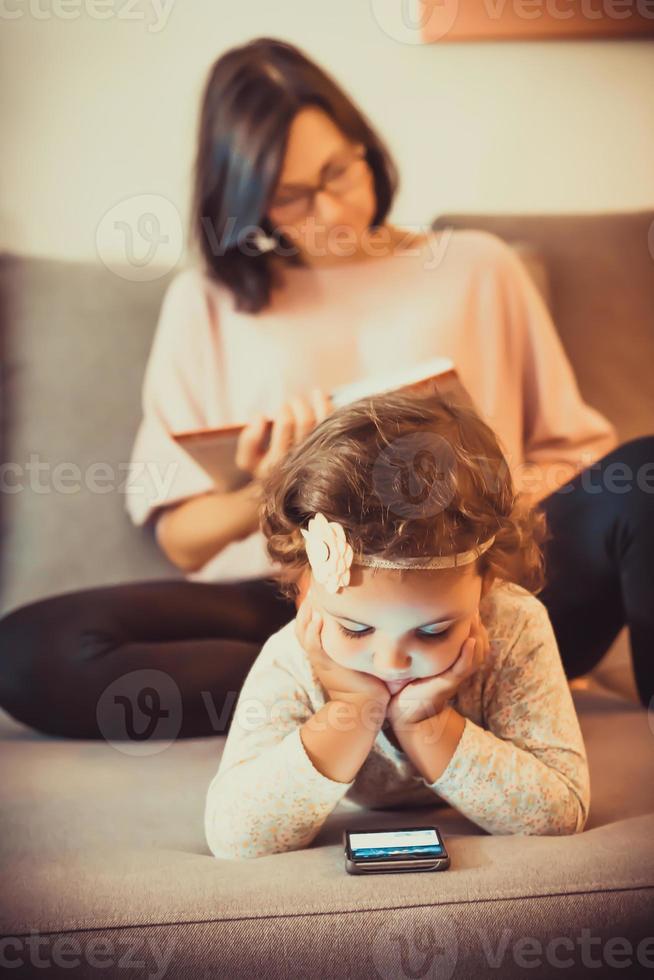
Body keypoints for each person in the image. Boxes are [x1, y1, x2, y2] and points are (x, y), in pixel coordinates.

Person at [0, 36, 651, 740]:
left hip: (470, 593)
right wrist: (275, 484)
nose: (332, 208)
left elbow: (579, 458)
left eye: (339, 171)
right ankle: (359, 685)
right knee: (29, 650)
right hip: (293, 601)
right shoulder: (210, 302)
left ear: (365, 146)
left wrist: (477, 506)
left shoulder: (477, 266)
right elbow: (184, 542)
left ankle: (405, 679)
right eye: (291, 196)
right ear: (245, 203)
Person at [204, 391, 591, 859]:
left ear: (486, 584)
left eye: (433, 632)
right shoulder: (294, 657)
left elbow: (561, 812)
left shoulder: (515, 628)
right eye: (354, 629)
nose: (391, 662)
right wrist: (351, 707)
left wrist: (425, 722)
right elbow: (235, 836)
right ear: (305, 588)